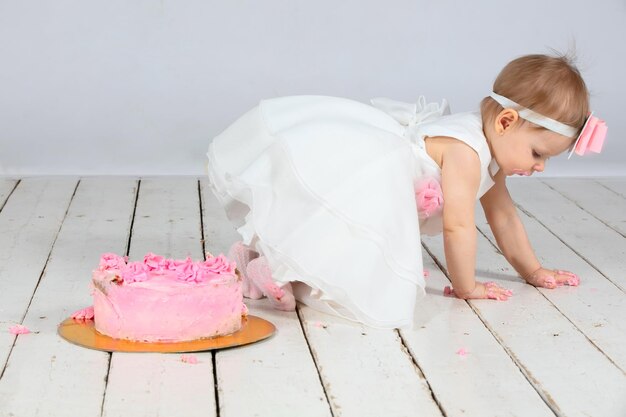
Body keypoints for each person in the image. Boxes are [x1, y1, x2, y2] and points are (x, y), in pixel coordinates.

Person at [206, 53, 607, 328]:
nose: (540, 166)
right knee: (341, 238)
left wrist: (532, 271)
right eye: (538, 153)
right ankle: (274, 267)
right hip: (376, 176)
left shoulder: (490, 155)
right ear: (505, 122)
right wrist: (466, 287)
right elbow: (458, 227)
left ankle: (258, 261)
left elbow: (504, 218)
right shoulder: (467, 154)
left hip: (386, 186)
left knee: (336, 239)